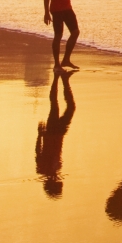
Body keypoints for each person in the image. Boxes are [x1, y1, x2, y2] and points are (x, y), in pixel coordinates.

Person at [34, 69, 76, 197]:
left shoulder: (42, 169)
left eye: (59, 184)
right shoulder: (56, 169)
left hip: (51, 133)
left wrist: (40, 134)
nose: (60, 181)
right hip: (60, 134)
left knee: (55, 105)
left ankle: (57, 79)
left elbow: (38, 151)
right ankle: (64, 80)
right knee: (70, 107)